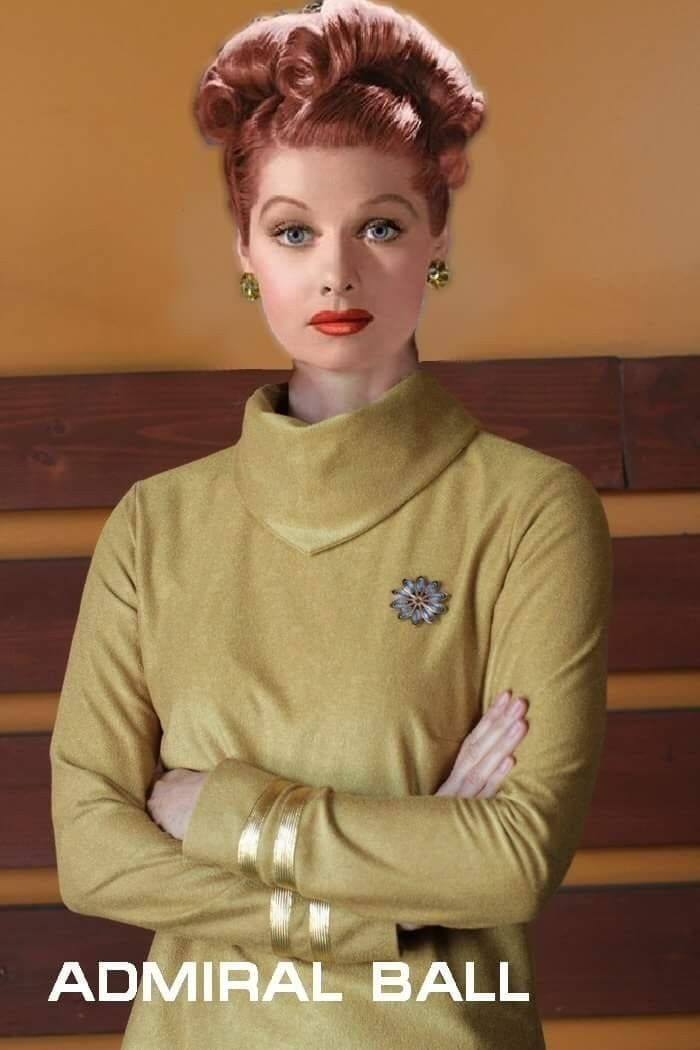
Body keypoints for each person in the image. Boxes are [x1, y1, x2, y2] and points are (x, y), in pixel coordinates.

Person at [49, 1, 614, 1047]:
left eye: (382, 226)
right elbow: (93, 858)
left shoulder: (531, 512)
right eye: (295, 229)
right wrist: (394, 878)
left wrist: (226, 814)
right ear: (246, 251)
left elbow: (509, 862)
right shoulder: (154, 527)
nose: (337, 272)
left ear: (436, 238)